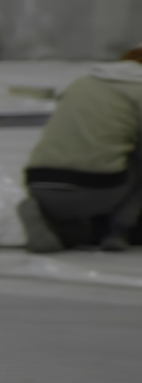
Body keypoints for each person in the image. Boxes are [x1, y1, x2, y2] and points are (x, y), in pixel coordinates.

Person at [16, 49, 142, 253]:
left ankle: (47, 219)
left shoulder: (82, 83)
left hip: (39, 183)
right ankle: (117, 232)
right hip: (98, 190)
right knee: (135, 160)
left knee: (99, 154)